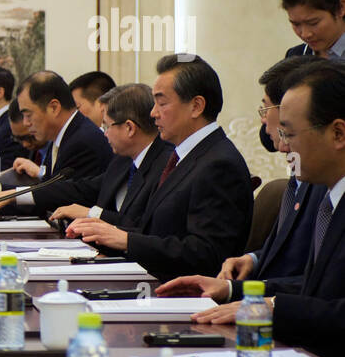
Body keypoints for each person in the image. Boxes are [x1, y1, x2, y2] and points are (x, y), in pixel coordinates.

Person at [178, 61, 345, 357]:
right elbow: (313, 292)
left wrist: (269, 307)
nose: (282, 148)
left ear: (338, 134)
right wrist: (234, 292)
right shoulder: (331, 201)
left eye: (290, 135)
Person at [67, 54, 253, 281]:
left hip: (185, 297)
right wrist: (106, 233)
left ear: (196, 106)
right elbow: (156, 233)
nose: (153, 112)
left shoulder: (218, 164)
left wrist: (125, 240)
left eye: (162, 103)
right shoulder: (182, 156)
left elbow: (207, 254)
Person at [0, 70, 113, 212]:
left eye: (28, 115)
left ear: (54, 107)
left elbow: (56, 200)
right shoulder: (61, 136)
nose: (26, 122)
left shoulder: (83, 140)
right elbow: (46, 190)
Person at [42, 83, 170, 224]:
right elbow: (86, 189)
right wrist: (21, 194)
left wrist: (92, 213)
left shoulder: (166, 167)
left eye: (106, 126)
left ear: (129, 128)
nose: (105, 134)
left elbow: (142, 225)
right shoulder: (122, 160)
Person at [259, 0, 345, 151]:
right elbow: (269, 138)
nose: (305, 34)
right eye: (295, 24)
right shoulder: (296, 57)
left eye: (313, 23)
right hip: (305, 174)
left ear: (341, 8)